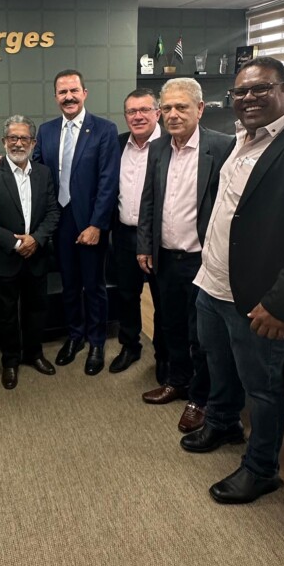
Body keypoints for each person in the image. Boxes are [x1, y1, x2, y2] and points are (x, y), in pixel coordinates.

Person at [181, 56, 284, 504]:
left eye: (261, 88)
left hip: (260, 298)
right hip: (213, 283)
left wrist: (281, 304)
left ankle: (261, 468)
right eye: (241, 91)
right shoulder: (242, 139)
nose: (249, 98)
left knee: (262, 386)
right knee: (218, 365)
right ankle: (223, 423)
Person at [137, 79, 232, 432]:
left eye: (182, 107)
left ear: (200, 109)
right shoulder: (158, 148)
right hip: (165, 257)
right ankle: (177, 381)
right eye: (167, 108)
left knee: (202, 334)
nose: (173, 114)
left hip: (202, 260)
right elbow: (148, 201)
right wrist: (144, 245)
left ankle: (200, 397)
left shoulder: (222, 147)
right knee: (170, 324)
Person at [34, 70, 120, 376]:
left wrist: (97, 224)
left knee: (93, 285)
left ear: (85, 93)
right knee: (69, 283)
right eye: (62, 92)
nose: (68, 97)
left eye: (73, 90)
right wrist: (1, 163)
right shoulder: (46, 130)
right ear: (55, 97)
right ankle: (75, 336)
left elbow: (109, 181)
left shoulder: (104, 129)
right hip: (60, 219)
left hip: (90, 220)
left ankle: (96, 342)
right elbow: (34, 168)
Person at [0, 116, 59, 390]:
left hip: (37, 255)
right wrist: (18, 244)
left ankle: (34, 353)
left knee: (37, 309)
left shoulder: (44, 173)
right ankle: (10, 361)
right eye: (13, 138)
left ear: (33, 142)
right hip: (4, 258)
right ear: (4, 142)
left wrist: (36, 239)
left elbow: (53, 212)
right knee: (6, 313)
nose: (18, 143)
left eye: (24, 138)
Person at [110, 89, 166, 379]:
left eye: (144, 110)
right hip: (124, 234)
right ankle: (130, 345)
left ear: (158, 113)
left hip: (160, 239)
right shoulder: (118, 144)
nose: (138, 116)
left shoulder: (170, 144)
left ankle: (164, 355)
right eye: (132, 111)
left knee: (162, 299)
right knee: (127, 295)